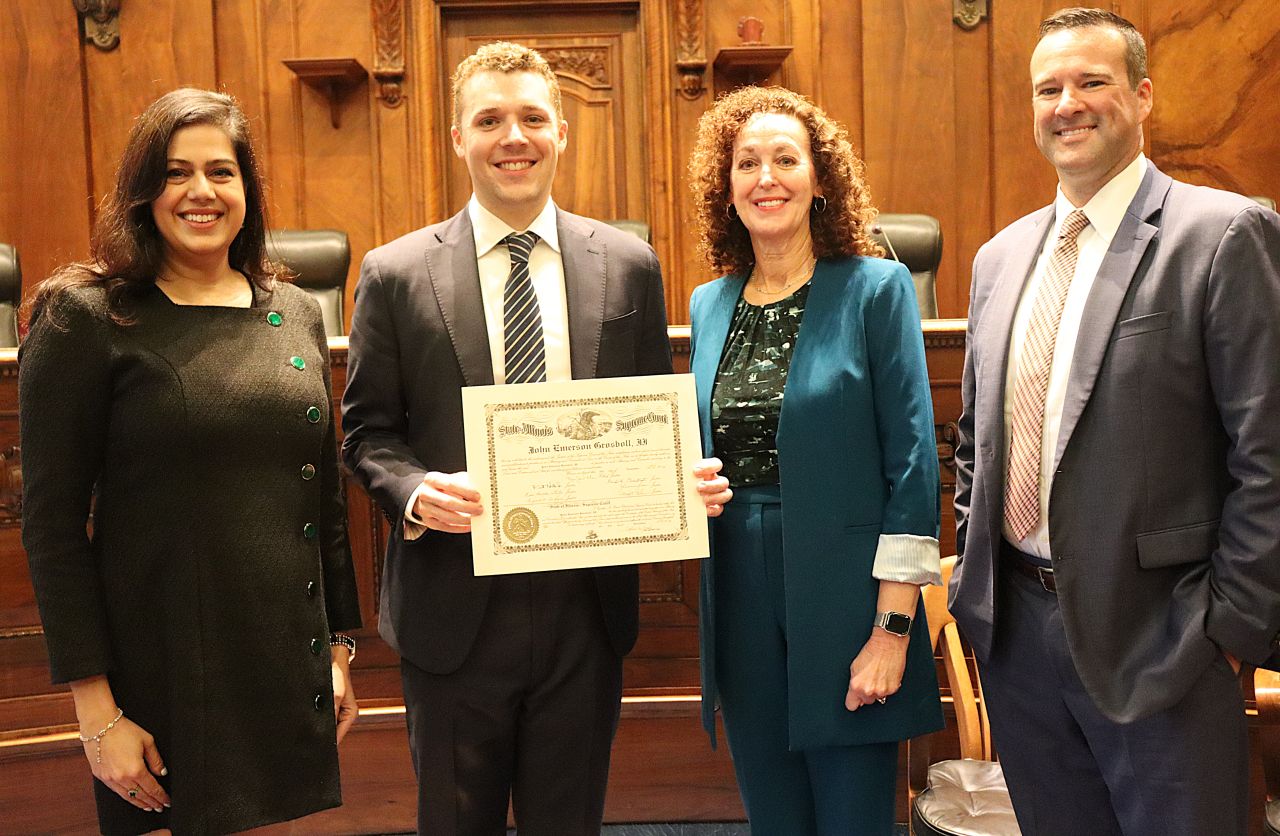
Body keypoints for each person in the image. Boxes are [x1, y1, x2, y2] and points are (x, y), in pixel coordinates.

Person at [340, 42, 729, 836]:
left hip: (583, 612)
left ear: (561, 133)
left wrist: (675, 481)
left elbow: (654, 417)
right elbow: (367, 433)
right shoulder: (394, 272)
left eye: (530, 118)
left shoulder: (628, 266)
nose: (511, 135)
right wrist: (413, 492)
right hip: (452, 608)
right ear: (459, 139)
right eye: (489, 120)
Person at [949, 8, 1280, 834]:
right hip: (1020, 638)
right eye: (1048, 89)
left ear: (1141, 96)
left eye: (1091, 82)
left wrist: (1226, 630)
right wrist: (975, 588)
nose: (1068, 104)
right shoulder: (999, 258)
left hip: (1162, 640)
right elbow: (974, 443)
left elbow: (1267, 453)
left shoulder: (1222, 234)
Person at [18, 88, 362, 835]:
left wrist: (337, 651)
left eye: (221, 171)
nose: (201, 192)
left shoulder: (296, 312)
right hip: (159, 674)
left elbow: (321, 501)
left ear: (248, 190)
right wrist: (96, 711)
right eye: (176, 173)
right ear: (143, 191)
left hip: (280, 665)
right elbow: (48, 526)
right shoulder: (87, 316)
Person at [686, 85, 943, 835]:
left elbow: (914, 468)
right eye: (746, 164)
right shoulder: (709, 303)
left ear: (820, 180)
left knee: (854, 815)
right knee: (774, 816)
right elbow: (704, 444)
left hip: (848, 594)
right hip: (736, 586)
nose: (766, 177)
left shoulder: (876, 290)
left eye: (786, 159)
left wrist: (891, 632)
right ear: (726, 189)